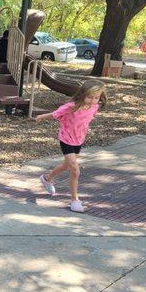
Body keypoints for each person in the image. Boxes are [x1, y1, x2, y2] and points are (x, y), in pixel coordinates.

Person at [35, 80, 107, 213]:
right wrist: (41, 117)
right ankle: (75, 201)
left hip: (79, 140)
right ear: (82, 94)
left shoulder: (94, 107)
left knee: (66, 166)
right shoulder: (71, 107)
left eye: (96, 98)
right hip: (66, 140)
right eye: (90, 97)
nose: (92, 101)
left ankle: (47, 178)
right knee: (75, 170)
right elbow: (54, 114)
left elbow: (88, 118)